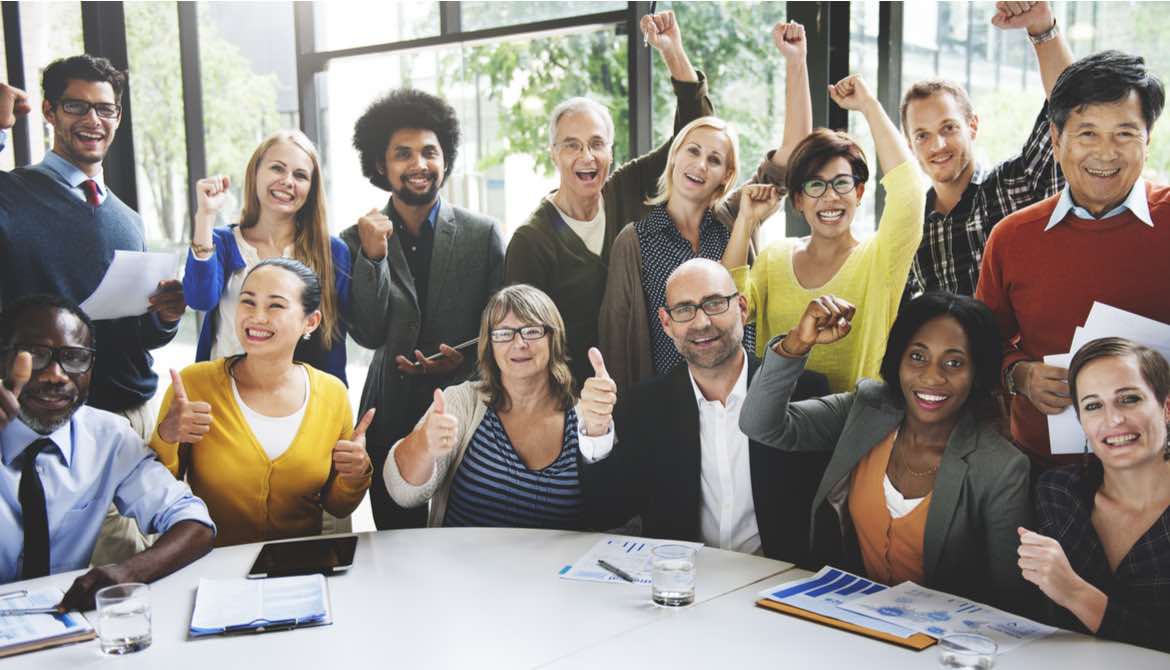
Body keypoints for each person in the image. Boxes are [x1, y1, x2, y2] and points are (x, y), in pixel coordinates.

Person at [507, 11, 768, 390]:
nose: (586, 157)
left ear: (611, 151)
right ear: (552, 153)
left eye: (597, 144)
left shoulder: (626, 188)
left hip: (648, 387)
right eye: (572, 146)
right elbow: (523, 336)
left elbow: (694, 130)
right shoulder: (532, 240)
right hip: (574, 397)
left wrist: (672, 51)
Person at [739, 293, 1034, 614]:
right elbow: (760, 424)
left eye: (954, 363)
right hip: (846, 625)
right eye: (918, 357)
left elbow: (1012, 603)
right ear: (898, 358)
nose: (932, 377)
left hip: (943, 647)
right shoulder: (866, 408)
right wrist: (796, 344)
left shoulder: (1001, 467)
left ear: (977, 373)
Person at [0, 55, 186, 564]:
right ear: (48, 111)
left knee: (147, 552)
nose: (93, 121)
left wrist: (163, 317)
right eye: (76, 107)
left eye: (105, 110)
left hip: (134, 411)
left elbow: (135, 335)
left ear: (119, 118)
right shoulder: (12, 195)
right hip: (56, 413)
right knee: (103, 569)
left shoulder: (126, 218)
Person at [976, 50, 1170, 467]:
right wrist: (1019, 376)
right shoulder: (1011, 238)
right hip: (1046, 467)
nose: (1105, 154)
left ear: (1147, 141)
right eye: (1087, 134)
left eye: (1124, 134)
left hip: (1161, 472)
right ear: (1056, 140)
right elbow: (980, 344)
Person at [600, 22, 813, 395]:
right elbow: (618, 339)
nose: (700, 165)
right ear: (674, 157)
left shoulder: (735, 218)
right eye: (693, 151)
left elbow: (793, 158)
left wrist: (796, 63)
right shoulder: (634, 241)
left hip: (743, 398)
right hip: (671, 407)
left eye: (714, 160)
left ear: (726, 176)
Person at [586, 259, 828, 563]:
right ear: (666, 323)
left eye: (714, 303)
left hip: (778, 590)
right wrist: (595, 432)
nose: (701, 323)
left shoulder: (804, 391)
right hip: (684, 590)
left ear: (742, 307)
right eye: (685, 310)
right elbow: (604, 512)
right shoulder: (645, 405)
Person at [342, 89, 505, 530]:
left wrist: (467, 359)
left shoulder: (483, 234)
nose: (419, 164)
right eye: (403, 154)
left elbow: (502, 327)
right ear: (381, 164)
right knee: (396, 545)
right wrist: (373, 260)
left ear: (445, 158)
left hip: (464, 408)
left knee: (463, 537)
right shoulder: (355, 239)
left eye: (430, 152)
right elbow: (369, 334)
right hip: (388, 410)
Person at [0, 294, 213, 610]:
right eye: (35, 355)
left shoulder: (108, 438)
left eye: (74, 357)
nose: (56, 374)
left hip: (57, 625)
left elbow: (195, 522)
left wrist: (130, 572)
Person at [724, 74, 928, 394]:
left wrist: (869, 106)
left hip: (853, 431)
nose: (830, 197)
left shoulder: (880, 258)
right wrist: (745, 221)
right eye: (815, 185)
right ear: (798, 200)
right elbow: (731, 309)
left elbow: (910, 192)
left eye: (842, 183)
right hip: (778, 427)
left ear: (859, 192)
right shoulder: (775, 258)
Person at [150, 259, 372, 547]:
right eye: (248, 302)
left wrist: (355, 475)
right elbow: (155, 494)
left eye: (275, 305)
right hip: (212, 565)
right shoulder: (194, 385)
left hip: (298, 568)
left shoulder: (332, 394)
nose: (256, 317)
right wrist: (166, 436)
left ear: (311, 321)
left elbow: (338, 506)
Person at [384, 284, 616, 529]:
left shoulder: (586, 415)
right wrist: (424, 444)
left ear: (553, 338)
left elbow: (611, 516)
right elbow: (403, 494)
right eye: (504, 333)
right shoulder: (462, 402)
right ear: (489, 344)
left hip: (552, 568)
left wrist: (598, 434)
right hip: (463, 565)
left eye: (531, 330)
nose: (519, 343)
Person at [903, 0, 1073, 296]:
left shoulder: (1012, 186)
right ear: (910, 145)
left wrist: (1042, 26)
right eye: (922, 135)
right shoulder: (911, 229)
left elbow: (1067, 110)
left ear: (972, 126)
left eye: (948, 127)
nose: (938, 145)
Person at [1019, 337, 1170, 653]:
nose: (1113, 420)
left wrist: (1076, 593)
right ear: (1081, 422)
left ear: (1166, 408)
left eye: (1129, 399)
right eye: (1093, 406)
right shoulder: (1058, 494)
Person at [184, 130, 351, 384]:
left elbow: (333, 343)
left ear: (311, 188)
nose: (287, 181)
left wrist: (337, 411)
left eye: (300, 175)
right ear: (256, 173)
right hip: (221, 394)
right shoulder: (222, 242)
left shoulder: (332, 251)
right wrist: (205, 216)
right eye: (277, 168)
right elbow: (199, 298)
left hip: (295, 403)